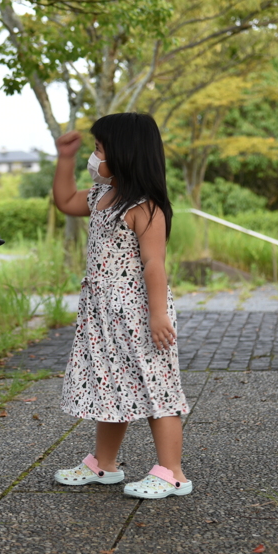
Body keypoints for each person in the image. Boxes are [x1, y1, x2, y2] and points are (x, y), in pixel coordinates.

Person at [50, 113, 192, 499]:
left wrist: (158, 314)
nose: (92, 159)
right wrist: (65, 157)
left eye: (98, 150)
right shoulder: (100, 196)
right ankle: (104, 463)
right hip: (101, 314)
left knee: (156, 386)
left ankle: (171, 472)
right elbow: (64, 200)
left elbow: (154, 264)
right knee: (109, 385)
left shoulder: (145, 207)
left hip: (139, 315)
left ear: (125, 154)